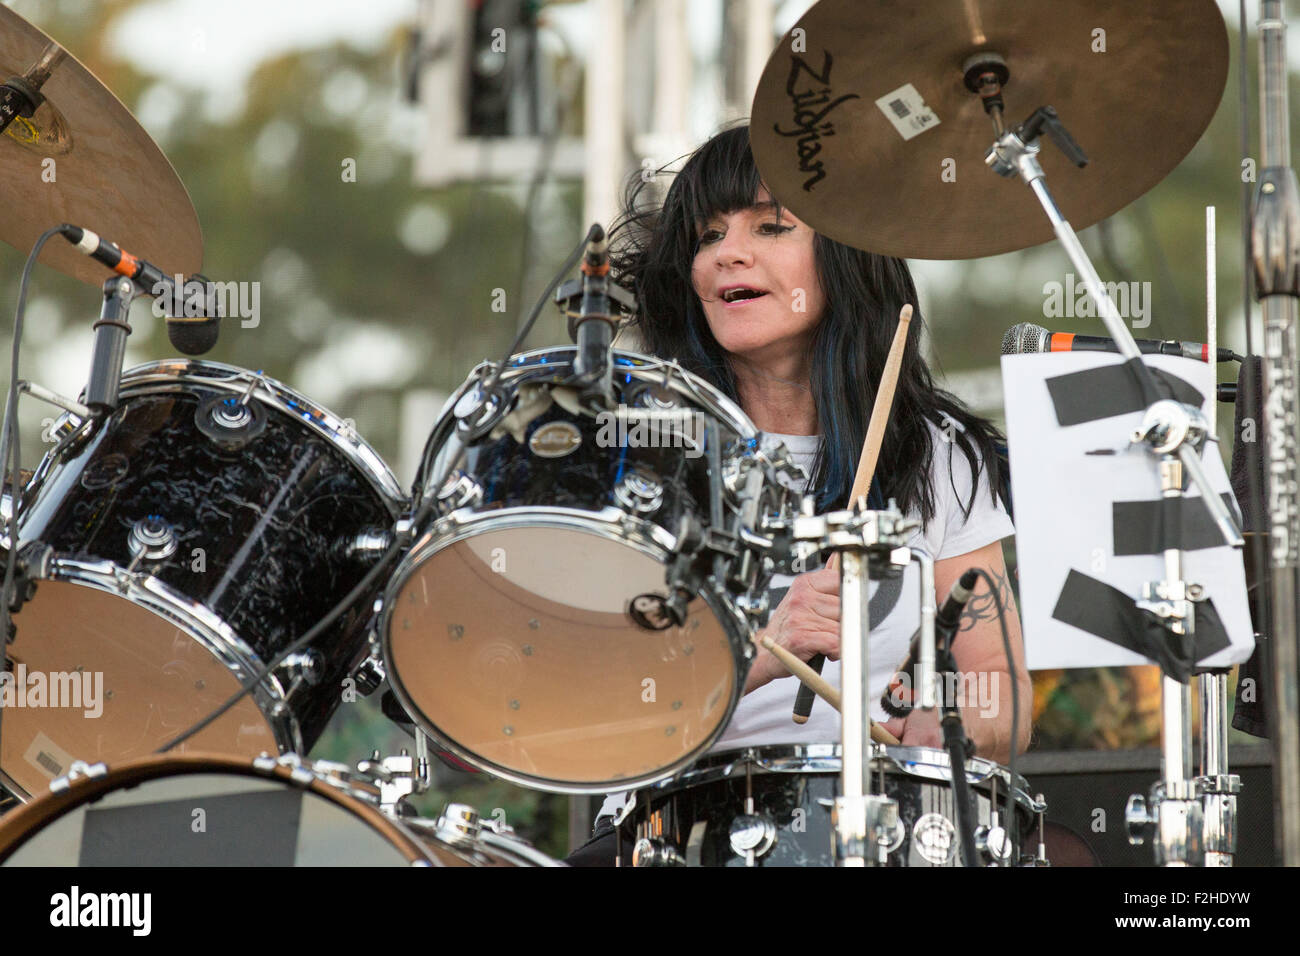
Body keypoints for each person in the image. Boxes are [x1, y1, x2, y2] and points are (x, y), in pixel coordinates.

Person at [565, 123, 1030, 866]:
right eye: (708, 235)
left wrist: (953, 726)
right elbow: (591, 706)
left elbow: (999, 683)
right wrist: (763, 649)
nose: (727, 252)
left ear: (846, 254)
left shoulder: (937, 452)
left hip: (879, 824)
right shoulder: (640, 452)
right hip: (677, 830)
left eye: (769, 225)